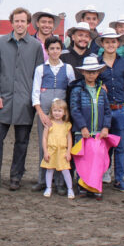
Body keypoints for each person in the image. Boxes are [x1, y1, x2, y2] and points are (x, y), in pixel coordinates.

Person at [0, 7, 44, 190]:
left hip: (25, 102)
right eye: (16, 21)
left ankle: (16, 177)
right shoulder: (1, 43)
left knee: (22, 142)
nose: (20, 24)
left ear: (28, 23)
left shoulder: (36, 46)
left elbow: (39, 75)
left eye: (23, 21)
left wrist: (34, 100)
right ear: (11, 23)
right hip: (2, 100)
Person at [94, 30, 124, 192]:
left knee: (120, 146)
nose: (110, 45)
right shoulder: (97, 63)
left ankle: (119, 179)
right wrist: (99, 87)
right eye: (107, 42)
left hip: (120, 108)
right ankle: (97, 178)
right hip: (102, 110)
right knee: (101, 146)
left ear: (118, 44)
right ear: (102, 44)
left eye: (113, 42)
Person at [31, 35, 78, 193]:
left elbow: (72, 89)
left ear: (61, 50)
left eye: (58, 48)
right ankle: (42, 180)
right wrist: (40, 113)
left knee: (61, 145)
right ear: (47, 50)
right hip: (45, 111)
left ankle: (59, 182)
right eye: (51, 48)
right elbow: (35, 92)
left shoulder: (68, 68)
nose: (55, 51)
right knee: (45, 144)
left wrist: (67, 113)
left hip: (61, 113)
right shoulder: (41, 69)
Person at [69, 55, 111, 200]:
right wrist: (82, 127)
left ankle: (95, 186)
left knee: (97, 159)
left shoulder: (102, 91)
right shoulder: (77, 90)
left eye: (94, 72)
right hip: (82, 132)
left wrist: (105, 127)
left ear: (98, 72)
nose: (91, 74)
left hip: (98, 131)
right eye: (88, 72)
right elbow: (75, 109)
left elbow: (107, 110)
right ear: (83, 72)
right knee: (83, 159)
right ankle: (82, 186)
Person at [41, 99, 75, 199]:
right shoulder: (49, 124)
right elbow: (44, 138)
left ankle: (70, 189)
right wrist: (45, 151)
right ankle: (48, 187)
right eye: (55, 110)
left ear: (64, 112)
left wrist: (68, 152)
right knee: (49, 170)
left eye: (59, 111)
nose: (57, 113)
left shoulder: (66, 125)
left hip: (62, 151)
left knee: (65, 170)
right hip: (51, 150)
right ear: (51, 111)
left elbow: (69, 139)